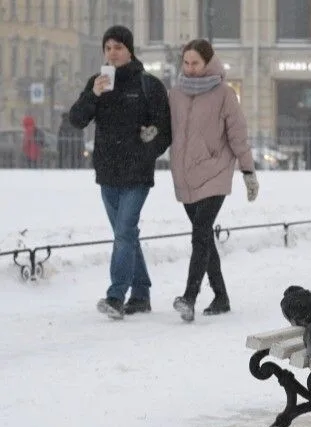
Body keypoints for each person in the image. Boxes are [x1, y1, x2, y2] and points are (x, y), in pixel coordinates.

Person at [69, 25, 172, 320]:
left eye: (118, 47)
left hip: (137, 173)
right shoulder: (98, 82)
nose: (112, 53)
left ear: (130, 50)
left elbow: (165, 131)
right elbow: (76, 120)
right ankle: (141, 295)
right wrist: (92, 94)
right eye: (108, 48)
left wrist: (148, 147)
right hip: (107, 172)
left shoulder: (148, 85)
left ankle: (116, 296)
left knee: (124, 233)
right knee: (124, 234)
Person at [168, 39, 259, 322]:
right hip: (185, 176)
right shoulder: (175, 94)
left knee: (200, 233)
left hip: (216, 173)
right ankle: (221, 296)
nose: (191, 68)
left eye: (196, 63)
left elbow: (237, 136)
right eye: (187, 63)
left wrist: (248, 172)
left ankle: (189, 297)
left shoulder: (224, 94)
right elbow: (165, 130)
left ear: (208, 62)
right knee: (204, 235)